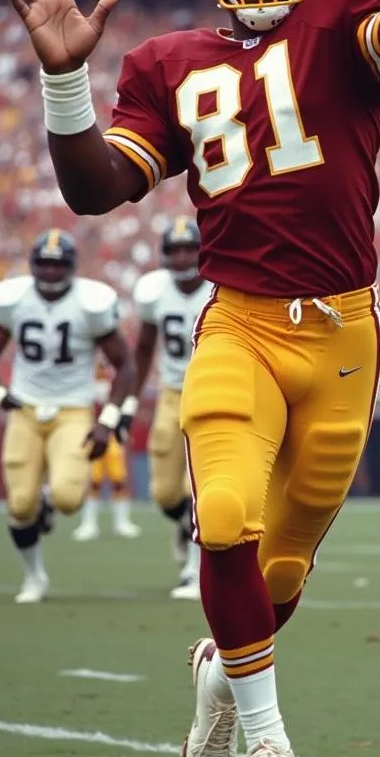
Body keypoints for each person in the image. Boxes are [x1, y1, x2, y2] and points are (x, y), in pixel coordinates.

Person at [5, 0, 380, 757]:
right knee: (223, 516)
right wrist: (62, 80)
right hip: (241, 324)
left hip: (344, 332)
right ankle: (270, 745)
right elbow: (94, 191)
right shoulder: (168, 65)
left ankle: (223, 675)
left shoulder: (345, 18)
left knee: (286, 564)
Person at [0, 230, 135, 603]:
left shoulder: (91, 303)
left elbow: (125, 365)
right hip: (26, 408)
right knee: (19, 504)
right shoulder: (14, 301)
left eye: (57, 264)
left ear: (71, 267)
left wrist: (106, 421)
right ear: (33, 266)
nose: (49, 272)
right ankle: (34, 577)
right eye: (44, 264)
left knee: (67, 498)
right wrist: (0, 393)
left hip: (73, 410)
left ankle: (48, 500)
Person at [132, 217, 213, 599]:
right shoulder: (153, 291)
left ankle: (194, 572)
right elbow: (145, 348)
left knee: (199, 486)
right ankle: (184, 526)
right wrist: (130, 401)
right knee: (165, 492)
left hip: (214, 390)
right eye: (175, 250)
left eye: (189, 249)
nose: (182, 258)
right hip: (171, 392)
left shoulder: (221, 285)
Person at [73, 363, 141, 541]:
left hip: (111, 434)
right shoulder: (85, 380)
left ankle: (122, 522)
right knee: (93, 480)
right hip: (93, 432)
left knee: (118, 479)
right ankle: (88, 523)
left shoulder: (116, 380)